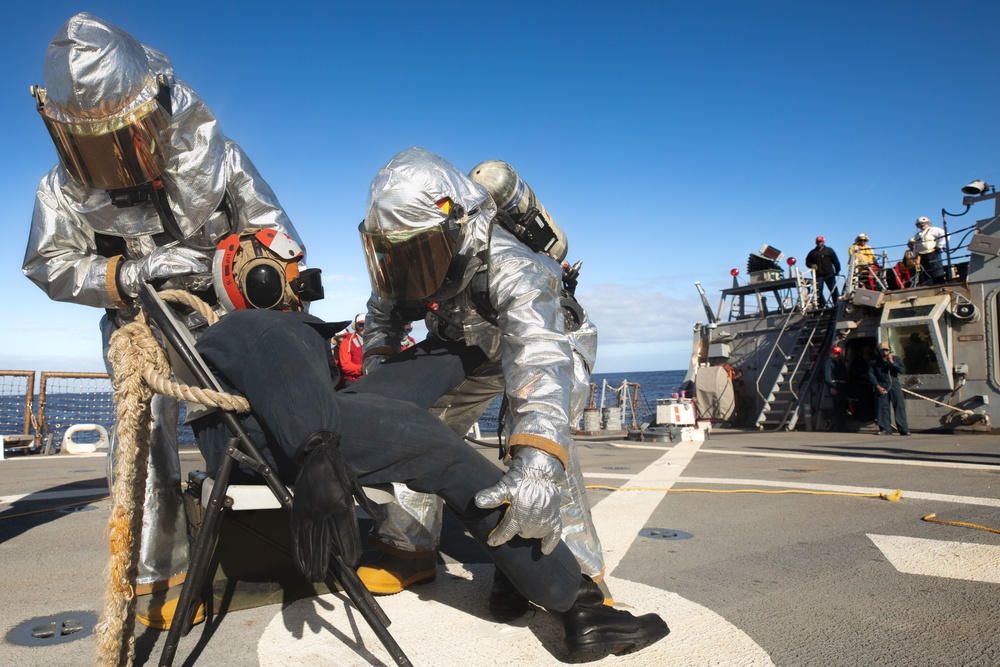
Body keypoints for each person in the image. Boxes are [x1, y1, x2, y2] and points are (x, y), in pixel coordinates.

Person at [188, 246, 669, 660]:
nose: (300, 277)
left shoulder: (247, 329)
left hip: (296, 415)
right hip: (297, 431)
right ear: (263, 279)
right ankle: (577, 600)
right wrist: (316, 453)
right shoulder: (259, 326)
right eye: (289, 270)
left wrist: (480, 333)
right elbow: (286, 378)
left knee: (448, 353)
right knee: (440, 451)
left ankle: (476, 349)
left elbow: (296, 381)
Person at [21, 13, 305, 629]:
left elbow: (279, 238)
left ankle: (312, 527)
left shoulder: (219, 158)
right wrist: (129, 275)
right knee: (143, 437)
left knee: (276, 418)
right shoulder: (59, 189)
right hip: (136, 328)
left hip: (224, 317)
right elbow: (48, 263)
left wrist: (218, 267)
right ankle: (162, 579)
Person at [349, 149, 608, 620]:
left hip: (552, 341)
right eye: (399, 252)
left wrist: (537, 461)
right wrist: (381, 369)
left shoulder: (515, 267)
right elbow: (384, 312)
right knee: (415, 427)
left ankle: (579, 576)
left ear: (457, 225)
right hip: (471, 343)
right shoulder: (404, 254)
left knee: (534, 448)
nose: (410, 267)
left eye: (420, 251)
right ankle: (409, 546)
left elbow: (538, 357)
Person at [868, 341, 909, 435]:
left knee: (899, 406)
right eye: (882, 350)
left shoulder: (896, 359)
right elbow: (871, 375)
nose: (885, 353)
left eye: (886, 350)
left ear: (890, 350)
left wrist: (892, 363)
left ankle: (903, 429)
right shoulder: (874, 361)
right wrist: (877, 386)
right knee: (882, 407)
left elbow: (902, 370)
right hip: (881, 383)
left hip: (893, 383)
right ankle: (885, 428)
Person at [805, 236, 841, 307]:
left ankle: (837, 305)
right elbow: (807, 262)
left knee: (833, 290)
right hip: (818, 275)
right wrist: (812, 265)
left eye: (820, 242)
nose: (819, 243)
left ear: (823, 242)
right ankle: (823, 306)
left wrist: (837, 271)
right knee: (818, 291)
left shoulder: (829, 250)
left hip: (829, 274)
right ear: (816, 242)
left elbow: (836, 261)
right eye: (818, 242)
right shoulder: (812, 253)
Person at [912, 216, 946, 285]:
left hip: (933, 253)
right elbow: (916, 245)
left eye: (923, 223)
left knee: (936, 270)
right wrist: (914, 255)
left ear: (928, 223)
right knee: (926, 272)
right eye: (919, 224)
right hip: (922, 255)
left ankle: (939, 284)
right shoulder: (917, 235)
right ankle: (929, 284)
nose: (921, 226)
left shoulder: (933, 230)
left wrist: (939, 246)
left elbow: (945, 234)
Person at [823, 345, 849, 432]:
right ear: (831, 354)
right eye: (835, 354)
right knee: (838, 407)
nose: (837, 355)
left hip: (843, 386)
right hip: (835, 385)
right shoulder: (828, 363)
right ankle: (840, 427)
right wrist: (831, 387)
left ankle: (844, 426)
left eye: (838, 354)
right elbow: (827, 377)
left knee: (843, 407)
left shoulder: (841, 363)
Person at [336, 314, 365, 388]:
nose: (364, 328)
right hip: (354, 381)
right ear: (356, 326)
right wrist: (362, 368)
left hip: (374, 379)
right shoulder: (347, 342)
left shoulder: (376, 341)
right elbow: (345, 365)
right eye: (361, 325)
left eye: (367, 324)